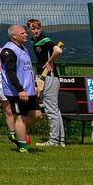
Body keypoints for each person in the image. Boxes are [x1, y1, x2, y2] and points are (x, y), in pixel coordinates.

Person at [0, 24, 41, 153]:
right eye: (22, 33)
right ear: (14, 36)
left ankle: (18, 132)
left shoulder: (23, 48)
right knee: (21, 117)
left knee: (37, 115)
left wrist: (34, 85)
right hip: (17, 92)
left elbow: (27, 70)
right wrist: (20, 89)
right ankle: (22, 145)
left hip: (29, 89)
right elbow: (10, 73)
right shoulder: (8, 51)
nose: (26, 34)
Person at [28, 18, 65, 147]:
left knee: (51, 110)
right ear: (29, 30)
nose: (36, 30)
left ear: (41, 28)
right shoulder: (35, 41)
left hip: (49, 77)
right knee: (55, 109)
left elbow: (58, 50)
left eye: (38, 28)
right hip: (46, 77)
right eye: (33, 28)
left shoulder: (44, 40)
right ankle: (60, 140)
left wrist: (50, 61)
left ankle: (54, 141)